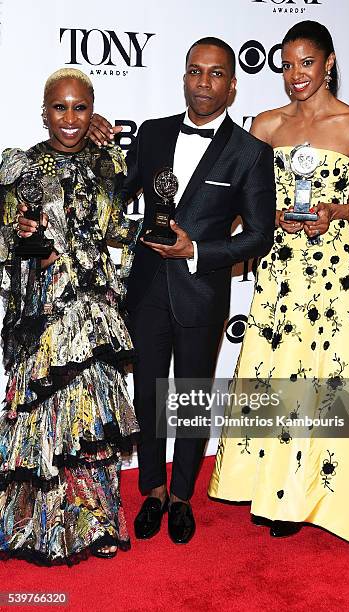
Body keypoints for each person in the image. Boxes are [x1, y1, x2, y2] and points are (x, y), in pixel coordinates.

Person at [208, 21, 349, 568]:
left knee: (339, 378)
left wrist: (334, 211)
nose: (296, 75)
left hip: (333, 271)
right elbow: (240, 197)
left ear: (329, 62)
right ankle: (282, 493)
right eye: (287, 65)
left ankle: (343, 491)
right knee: (280, 373)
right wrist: (260, 217)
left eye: (306, 63)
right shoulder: (265, 124)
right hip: (280, 269)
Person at [89, 36, 276, 544]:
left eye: (216, 74)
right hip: (147, 288)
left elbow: (260, 233)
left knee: (192, 397)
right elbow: (116, 195)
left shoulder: (250, 153)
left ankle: (182, 496)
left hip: (201, 292)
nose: (204, 82)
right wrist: (94, 141)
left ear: (233, 86)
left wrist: (197, 252)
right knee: (148, 392)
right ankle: (151, 488)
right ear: (185, 77)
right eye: (195, 71)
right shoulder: (150, 134)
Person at [0, 68, 141, 564]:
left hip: (94, 309)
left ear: (93, 110)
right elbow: (6, 244)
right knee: (45, 421)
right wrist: (19, 238)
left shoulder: (109, 164)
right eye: (60, 107)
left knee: (92, 423)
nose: (70, 118)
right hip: (47, 314)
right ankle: (38, 530)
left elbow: (119, 233)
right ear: (44, 112)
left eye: (80, 107)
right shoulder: (21, 168)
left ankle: (97, 526)